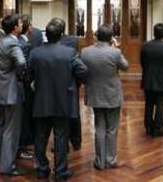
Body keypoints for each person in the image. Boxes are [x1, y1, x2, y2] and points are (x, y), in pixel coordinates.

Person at [29, 20, 87, 180]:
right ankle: (61, 171)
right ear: (61, 35)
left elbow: (28, 75)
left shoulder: (35, 52)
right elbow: (82, 70)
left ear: (46, 35)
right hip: (63, 101)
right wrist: (74, 84)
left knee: (40, 137)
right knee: (61, 137)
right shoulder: (69, 52)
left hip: (41, 100)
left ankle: (42, 168)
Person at [81, 24, 129, 170]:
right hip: (112, 95)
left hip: (95, 94)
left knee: (99, 127)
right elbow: (125, 66)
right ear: (111, 38)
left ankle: (99, 161)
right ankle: (110, 160)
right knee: (112, 129)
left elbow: (82, 71)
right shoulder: (115, 52)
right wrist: (116, 47)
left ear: (96, 36)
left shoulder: (85, 52)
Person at [0, 14, 27, 176]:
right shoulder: (14, 43)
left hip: (0, 90)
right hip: (12, 91)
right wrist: (20, 75)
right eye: (20, 24)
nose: (22, 25)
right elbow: (21, 62)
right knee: (11, 130)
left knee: (1, 125)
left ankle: (0, 159)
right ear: (15, 28)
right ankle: (7, 166)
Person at [50, 17, 82, 151]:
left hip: (54, 82)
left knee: (58, 114)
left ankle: (62, 144)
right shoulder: (73, 40)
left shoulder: (50, 42)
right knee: (73, 113)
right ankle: (76, 141)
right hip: (71, 81)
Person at [140, 23, 163, 138]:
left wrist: (147, 73)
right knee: (160, 105)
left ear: (153, 32)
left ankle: (148, 127)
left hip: (148, 79)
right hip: (162, 80)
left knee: (149, 104)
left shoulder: (145, 46)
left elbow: (142, 63)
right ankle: (158, 129)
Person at [17, 15, 35, 159]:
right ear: (28, 28)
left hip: (18, 86)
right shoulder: (25, 44)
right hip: (23, 87)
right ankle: (22, 146)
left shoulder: (17, 41)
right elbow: (25, 67)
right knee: (23, 116)